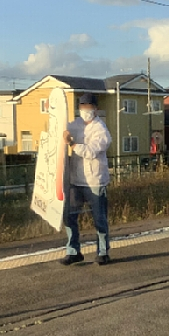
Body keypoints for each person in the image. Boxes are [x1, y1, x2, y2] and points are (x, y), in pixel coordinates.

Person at [60, 93, 112, 266]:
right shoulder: (74, 125)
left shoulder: (101, 130)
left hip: (95, 181)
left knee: (99, 218)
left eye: (89, 106)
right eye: (82, 106)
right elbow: (60, 131)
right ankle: (73, 251)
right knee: (69, 216)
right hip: (75, 180)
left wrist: (72, 144)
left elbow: (90, 152)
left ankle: (103, 252)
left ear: (96, 108)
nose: (85, 110)